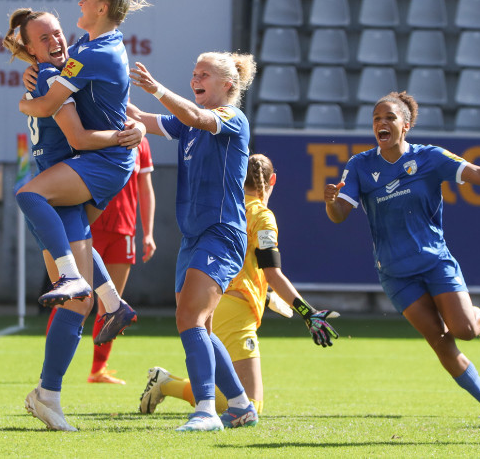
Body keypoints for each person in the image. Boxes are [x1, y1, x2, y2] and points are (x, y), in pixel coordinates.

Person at [323, 91, 480, 420]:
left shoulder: (431, 158)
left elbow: (478, 173)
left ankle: (478, 319)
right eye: (376, 119)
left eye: (389, 118)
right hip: (395, 273)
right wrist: (330, 201)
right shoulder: (360, 166)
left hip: (434, 262)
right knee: (439, 341)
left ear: (406, 125)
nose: (381, 123)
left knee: (464, 331)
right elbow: (340, 214)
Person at [125, 51, 287, 431]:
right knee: (201, 326)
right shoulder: (187, 124)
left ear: (228, 86)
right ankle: (242, 405)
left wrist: (157, 88)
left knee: (190, 319)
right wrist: (97, 92)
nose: (196, 78)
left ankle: (205, 412)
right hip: (194, 236)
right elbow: (140, 119)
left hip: (221, 233)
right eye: (194, 73)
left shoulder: (232, 117)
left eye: (205, 75)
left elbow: (197, 116)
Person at [15, 0, 175, 317]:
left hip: (101, 158)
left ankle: (74, 281)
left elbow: (56, 112)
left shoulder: (90, 53)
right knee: (75, 237)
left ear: (102, 8)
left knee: (29, 197)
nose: (80, 3)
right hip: (98, 157)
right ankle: (113, 305)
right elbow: (77, 81)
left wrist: (23, 102)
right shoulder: (91, 45)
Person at [3, 8, 141, 431]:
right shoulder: (48, 78)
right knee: (76, 297)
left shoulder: (58, 73)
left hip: (61, 188)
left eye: (58, 33)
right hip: (55, 188)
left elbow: (103, 97)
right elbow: (79, 135)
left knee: (79, 301)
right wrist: (125, 133)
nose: (56, 41)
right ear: (29, 47)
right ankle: (48, 392)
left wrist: (133, 122)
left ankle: (48, 393)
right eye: (44, 38)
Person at [138, 153, 340, 414]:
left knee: (233, 394)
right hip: (235, 312)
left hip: (209, 299)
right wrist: (308, 313)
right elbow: (273, 273)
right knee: (249, 405)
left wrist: (265, 296)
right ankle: (166, 384)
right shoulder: (262, 217)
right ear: (273, 181)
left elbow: (236, 263)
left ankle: (168, 384)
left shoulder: (222, 207)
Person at [87, 136, 156, 385]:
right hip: (90, 225)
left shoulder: (142, 139)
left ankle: (98, 369)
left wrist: (148, 232)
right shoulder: (95, 127)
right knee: (75, 300)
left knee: (111, 303)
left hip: (124, 230)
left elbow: (145, 188)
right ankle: (51, 367)